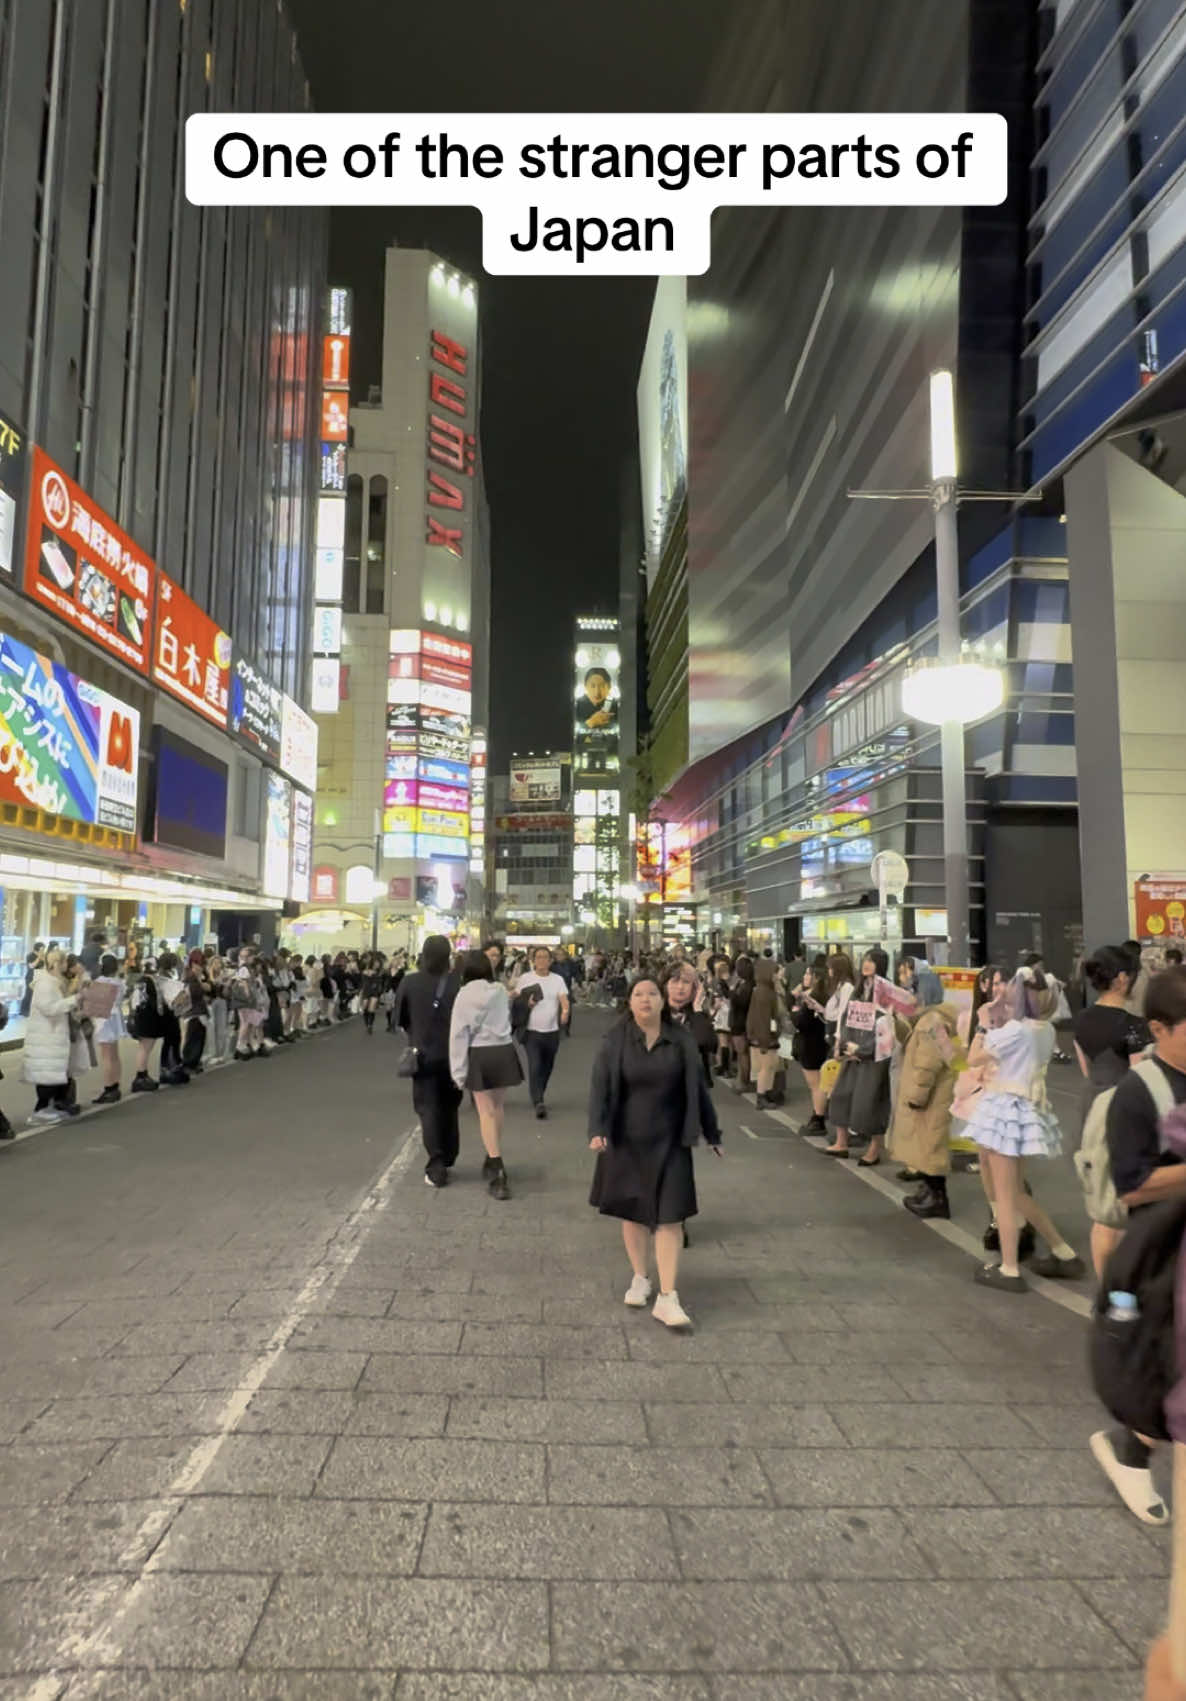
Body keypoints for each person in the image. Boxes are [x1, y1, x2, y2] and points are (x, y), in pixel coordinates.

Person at [1091, 964, 1186, 1525]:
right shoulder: (1138, 1093)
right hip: (1164, 1254)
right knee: (1163, 1369)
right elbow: (1130, 1189)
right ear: (1160, 1028)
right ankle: (1131, 1450)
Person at [587, 976, 723, 1329]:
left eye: (652, 993)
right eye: (638, 994)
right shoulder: (616, 1040)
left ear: (662, 1001)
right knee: (632, 1213)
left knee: (670, 1216)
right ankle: (640, 1276)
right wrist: (598, 1130)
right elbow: (599, 1087)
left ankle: (668, 1296)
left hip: (671, 1139)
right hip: (625, 1138)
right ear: (629, 1002)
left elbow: (698, 1089)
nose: (646, 999)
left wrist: (711, 1131)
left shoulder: (681, 1041)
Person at [962, 968, 1083, 1291]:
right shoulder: (1044, 1030)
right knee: (1015, 1192)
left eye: (1014, 987)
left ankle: (1010, 1268)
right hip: (1026, 1109)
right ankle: (1063, 1251)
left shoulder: (1016, 1030)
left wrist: (983, 1021)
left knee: (1004, 1195)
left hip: (1004, 1109)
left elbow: (973, 1058)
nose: (1007, 991)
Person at [449, 949, 521, 1199]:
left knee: (485, 1111)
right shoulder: (500, 990)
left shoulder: (464, 995)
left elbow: (458, 1034)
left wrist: (458, 1072)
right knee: (498, 1108)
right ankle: (492, 1155)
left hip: (480, 1052)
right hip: (504, 1050)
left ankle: (497, 1165)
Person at [396, 935, 463, 1189]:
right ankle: (449, 1154)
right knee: (450, 1106)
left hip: (423, 1056)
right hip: (454, 1055)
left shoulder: (410, 981)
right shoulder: (457, 983)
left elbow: (399, 1019)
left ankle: (436, 1163)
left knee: (428, 1108)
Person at [888, 1002, 960, 1218]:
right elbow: (909, 1039)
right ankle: (929, 1192)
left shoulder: (932, 1023)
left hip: (932, 1097)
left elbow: (928, 1063)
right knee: (925, 1145)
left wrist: (917, 1095)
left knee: (931, 1147)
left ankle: (938, 1198)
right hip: (933, 1096)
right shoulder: (929, 1020)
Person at [825, 950, 895, 1165]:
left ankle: (874, 1149)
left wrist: (862, 1050)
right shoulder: (858, 989)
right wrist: (844, 1045)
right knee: (840, 1096)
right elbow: (847, 1018)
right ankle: (841, 1141)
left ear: (881, 965)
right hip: (852, 1052)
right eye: (865, 960)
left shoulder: (887, 992)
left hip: (874, 1056)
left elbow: (888, 1027)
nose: (866, 964)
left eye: (871, 961)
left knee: (870, 1102)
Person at [24, 947, 81, 1122]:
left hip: (52, 1036)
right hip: (46, 1036)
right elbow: (49, 1008)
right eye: (65, 962)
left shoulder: (55, 981)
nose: (67, 966)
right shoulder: (46, 983)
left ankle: (51, 1106)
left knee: (54, 1073)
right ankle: (40, 1111)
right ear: (59, 963)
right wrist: (73, 1001)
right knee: (47, 1075)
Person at [515, 945, 570, 1120]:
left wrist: (565, 1012)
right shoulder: (525, 978)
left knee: (547, 1066)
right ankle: (538, 1101)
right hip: (531, 1032)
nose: (542, 960)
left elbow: (564, 999)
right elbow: (516, 1000)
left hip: (552, 1032)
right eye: (538, 957)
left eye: (545, 957)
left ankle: (539, 1093)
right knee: (535, 1064)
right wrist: (526, 1004)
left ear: (551, 960)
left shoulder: (557, 980)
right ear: (533, 960)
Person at [789, 954, 830, 1136]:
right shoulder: (826, 995)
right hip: (821, 1043)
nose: (804, 977)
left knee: (816, 1085)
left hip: (811, 1044)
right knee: (821, 1084)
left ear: (816, 978)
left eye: (808, 974)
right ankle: (820, 1114)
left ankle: (818, 1119)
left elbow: (801, 1022)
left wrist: (795, 1010)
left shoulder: (812, 998)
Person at [662, 963, 715, 1083]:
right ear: (665, 985)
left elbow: (707, 1043)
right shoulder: (655, 1013)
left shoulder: (698, 1015)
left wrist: (697, 1007)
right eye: (675, 981)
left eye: (686, 982)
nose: (680, 987)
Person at [86, 953, 127, 1104]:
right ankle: (115, 1085)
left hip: (103, 1019)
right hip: (115, 1018)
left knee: (106, 1056)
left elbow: (92, 1003)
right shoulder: (119, 983)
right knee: (114, 1055)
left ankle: (109, 1088)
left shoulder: (98, 982)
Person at [746, 955, 782, 1108]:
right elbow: (763, 1018)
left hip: (762, 1035)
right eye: (776, 972)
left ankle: (764, 1095)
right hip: (765, 1036)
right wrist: (764, 1041)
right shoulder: (765, 993)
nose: (778, 975)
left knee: (768, 1066)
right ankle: (762, 1096)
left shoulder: (761, 990)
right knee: (766, 1067)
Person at [728, 955, 754, 1088]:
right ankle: (743, 1079)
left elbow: (741, 1002)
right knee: (743, 1053)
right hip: (743, 1021)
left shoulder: (746, 986)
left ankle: (744, 1081)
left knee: (742, 1053)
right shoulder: (748, 984)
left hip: (739, 1021)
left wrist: (731, 993)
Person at [575, 665, 617, 730]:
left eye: (602, 686)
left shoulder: (617, 706)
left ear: (609, 687)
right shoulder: (577, 705)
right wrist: (590, 723)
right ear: (585, 686)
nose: (597, 692)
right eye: (592, 686)